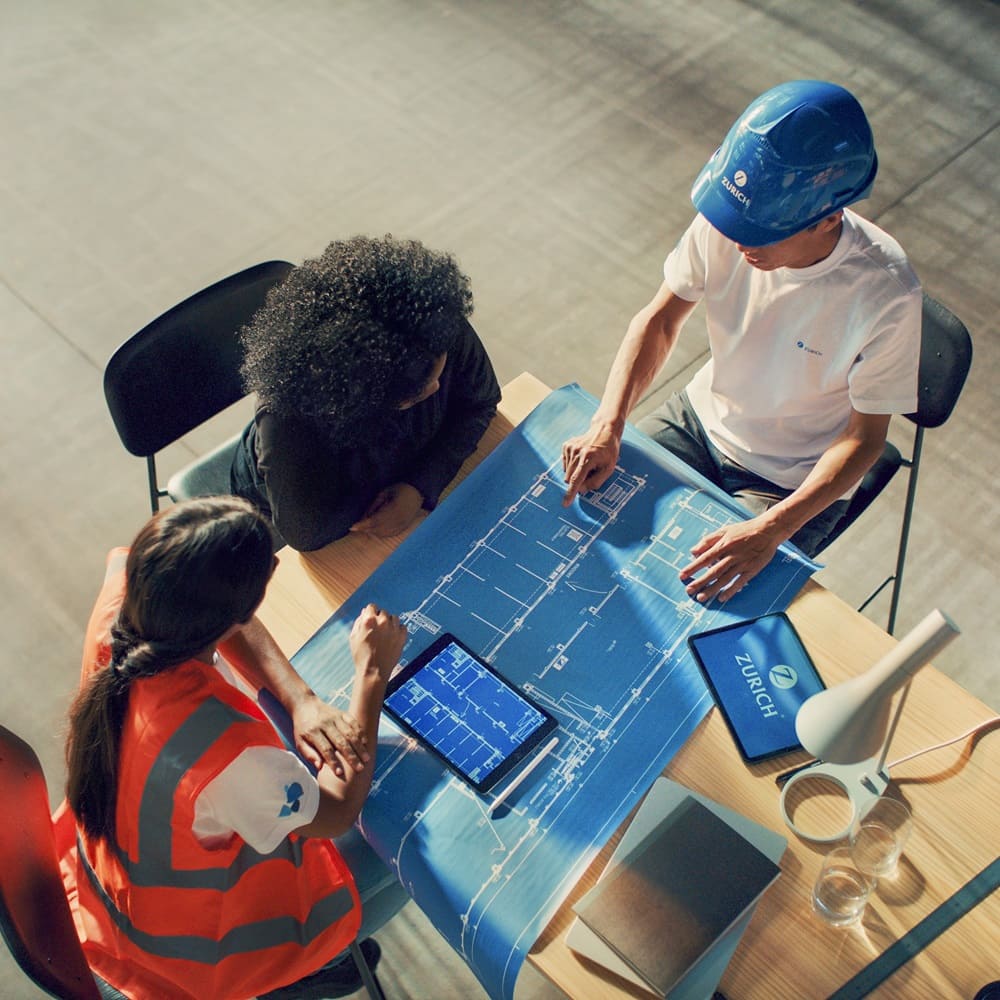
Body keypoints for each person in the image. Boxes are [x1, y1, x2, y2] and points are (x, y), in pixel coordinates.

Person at [562, 80, 921, 604]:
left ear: (828, 217)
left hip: (786, 481)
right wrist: (607, 424)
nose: (737, 241)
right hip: (697, 420)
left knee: (695, 602)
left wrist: (773, 528)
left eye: (760, 232)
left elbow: (864, 439)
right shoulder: (730, 219)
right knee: (580, 527)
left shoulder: (886, 292)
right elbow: (661, 319)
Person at [61, 497, 411, 1000]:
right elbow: (335, 811)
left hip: (116, 882)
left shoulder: (128, 605)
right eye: (265, 570)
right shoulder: (222, 753)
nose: (275, 564)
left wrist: (301, 700)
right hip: (187, 954)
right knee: (395, 855)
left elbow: (227, 620)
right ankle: (302, 977)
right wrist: (372, 677)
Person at [231, 234, 502, 551]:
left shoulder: (432, 323)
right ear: (367, 400)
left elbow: (480, 403)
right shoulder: (288, 423)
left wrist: (419, 485)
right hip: (282, 509)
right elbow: (307, 532)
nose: (436, 387)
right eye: (417, 394)